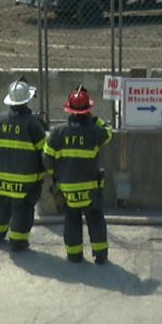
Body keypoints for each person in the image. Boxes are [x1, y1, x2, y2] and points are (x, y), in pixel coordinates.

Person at [44, 86, 113, 264]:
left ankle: (74, 255)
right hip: (91, 189)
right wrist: (95, 120)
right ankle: (100, 256)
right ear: (87, 110)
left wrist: (55, 177)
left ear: (69, 110)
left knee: (72, 221)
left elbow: (47, 161)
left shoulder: (57, 133)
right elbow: (108, 133)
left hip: (66, 190)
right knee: (96, 220)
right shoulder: (94, 131)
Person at [0, 78, 47, 252]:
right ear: (26, 100)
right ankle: (18, 242)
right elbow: (44, 152)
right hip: (25, 183)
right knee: (22, 210)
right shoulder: (33, 124)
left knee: (1, 205)